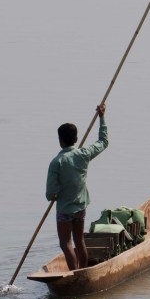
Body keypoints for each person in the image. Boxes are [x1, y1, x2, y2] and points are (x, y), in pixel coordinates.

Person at [46, 104, 108, 271]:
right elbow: (103, 142)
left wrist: (56, 194)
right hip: (81, 206)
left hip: (65, 209)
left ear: (60, 140)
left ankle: (75, 274)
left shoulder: (56, 162)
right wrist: (101, 117)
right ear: (75, 139)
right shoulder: (84, 154)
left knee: (66, 243)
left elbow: (50, 194)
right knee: (79, 241)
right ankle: (83, 270)